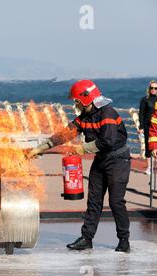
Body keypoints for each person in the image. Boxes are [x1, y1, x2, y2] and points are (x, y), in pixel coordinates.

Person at [28, 79, 131, 253]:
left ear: (85, 99)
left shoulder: (108, 114)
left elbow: (108, 141)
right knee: (94, 201)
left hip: (118, 161)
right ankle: (86, 238)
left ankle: (123, 240)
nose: (75, 104)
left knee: (116, 202)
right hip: (101, 160)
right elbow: (63, 135)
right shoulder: (84, 118)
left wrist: (81, 148)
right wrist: (40, 148)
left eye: (76, 100)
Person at [139, 81, 157, 174]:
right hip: (148, 126)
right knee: (148, 146)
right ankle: (149, 168)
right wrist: (141, 127)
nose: (153, 90)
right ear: (149, 89)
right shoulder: (145, 99)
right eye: (151, 88)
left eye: (155, 88)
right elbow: (141, 114)